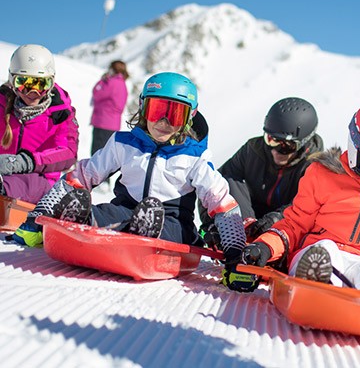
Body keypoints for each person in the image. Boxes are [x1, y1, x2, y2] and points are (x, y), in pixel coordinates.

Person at [14, 72, 256, 292]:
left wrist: (235, 257)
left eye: (174, 115)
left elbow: (222, 203)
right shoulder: (124, 143)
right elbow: (82, 176)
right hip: (126, 209)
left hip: (173, 222)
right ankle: (81, 221)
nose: (163, 122)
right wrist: (37, 217)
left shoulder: (195, 157)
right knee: (103, 211)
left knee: (157, 218)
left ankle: (146, 230)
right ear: (142, 108)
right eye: (156, 111)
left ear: (188, 118)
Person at [242, 101, 360, 298]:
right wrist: (267, 246)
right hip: (316, 253)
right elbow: (295, 223)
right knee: (325, 250)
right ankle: (318, 283)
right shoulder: (324, 176)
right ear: (357, 145)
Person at [200, 97, 323, 243]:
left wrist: (277, 219)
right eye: (271, 139)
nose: (275, 151)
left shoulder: (314, 168)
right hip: (248, 222)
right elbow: (215, 183)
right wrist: (215, 221)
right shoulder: (253, 150)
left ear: (304, 144)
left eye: (286, 146)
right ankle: (234, 234)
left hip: (284, 230)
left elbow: (307, 208)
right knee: (227, 180)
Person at [0, 44, 78, 208]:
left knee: (17, 183)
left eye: (41, 84)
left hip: (41, 179)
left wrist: (26, 162)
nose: (32, 92)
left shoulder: (60, 113)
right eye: (24, 83)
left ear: (51, 83)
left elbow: (69, 152)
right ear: (12, 80)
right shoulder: (2, 105)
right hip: (3, 173)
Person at [90, 60, 129, 155]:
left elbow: (97, 93)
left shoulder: (112, 83)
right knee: (106, 155)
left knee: (97, 154)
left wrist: (102, 80)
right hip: (113, 123)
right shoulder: (122, 83)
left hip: (103, 122)